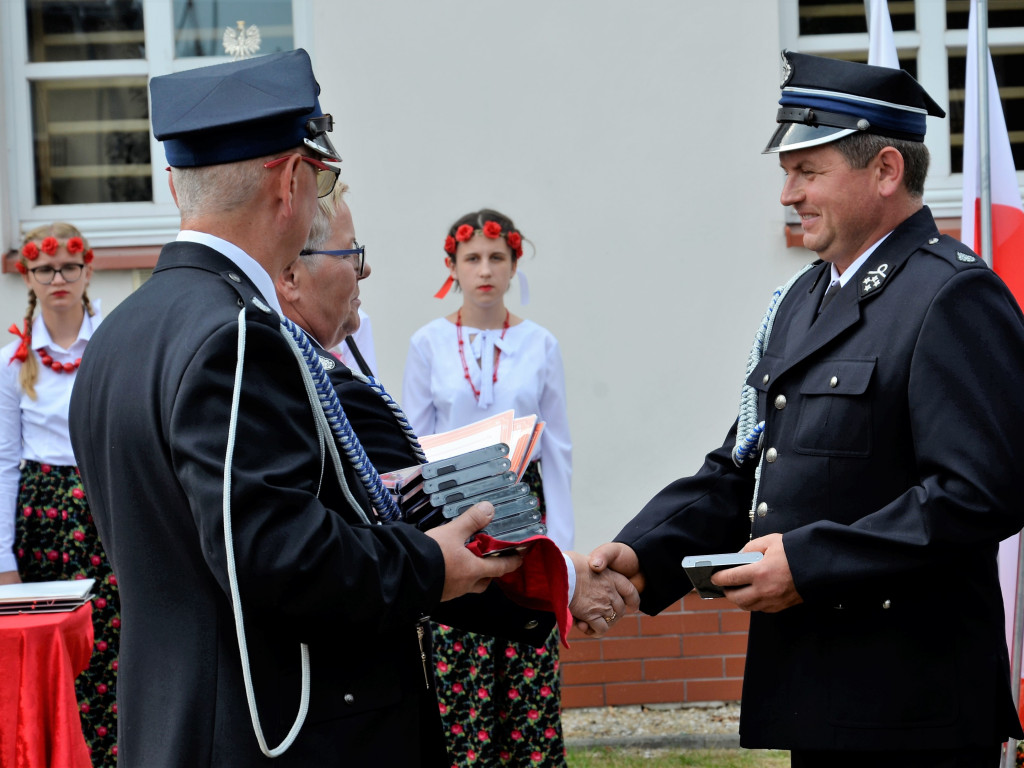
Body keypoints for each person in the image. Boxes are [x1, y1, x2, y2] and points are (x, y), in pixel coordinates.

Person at [69, 50, 633, 768]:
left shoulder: (124, 328)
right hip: (282, 731)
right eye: (321, 177)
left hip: (178, 723)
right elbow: (281, 556)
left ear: (179, 183)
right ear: (294, 182)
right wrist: (429, 564)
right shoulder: (240, 335)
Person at [586, 51, 1024, 768]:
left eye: (808, 171)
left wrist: (810, 562)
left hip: (915, 706)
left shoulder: (951, 296)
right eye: (786, 172)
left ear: (885, 170)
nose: (787, 193)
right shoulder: (805, 297)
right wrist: (640, 553)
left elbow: (981, 494)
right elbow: (748, 462)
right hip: (824, 693)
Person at [403, 208, 574, 766]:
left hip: (524, 507)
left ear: (513, 264)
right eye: (472, 258)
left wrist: (564, 549)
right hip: (454, 506)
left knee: (526, 652)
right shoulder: (427, 342)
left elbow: (557, 448)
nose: (484, 270)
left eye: (496, 257)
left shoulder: (540, 342)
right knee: (461, 651)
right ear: (451, 266)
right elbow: (413, 445)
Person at [0, 223, 119, 765]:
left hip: (106, 504)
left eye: (69, 267)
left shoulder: (115, 345)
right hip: (43, 516)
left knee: (111, 642)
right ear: (30, 277)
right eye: (46, 270)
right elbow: (4, 463)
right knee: (56, 649)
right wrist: (3, 559)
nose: (59, 278)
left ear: (87, 270)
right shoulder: (12, 362)